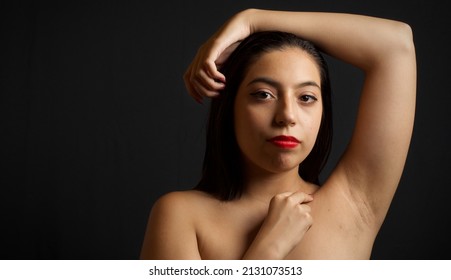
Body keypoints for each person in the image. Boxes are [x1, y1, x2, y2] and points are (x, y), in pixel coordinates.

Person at [140, 8, 416, 259]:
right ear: (230, 106)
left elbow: (395, 44)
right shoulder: (180, 216)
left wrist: (252, 21)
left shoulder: (354, 204)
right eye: (263, 94)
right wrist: (268, 248)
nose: (287, 116)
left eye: (306, 97)